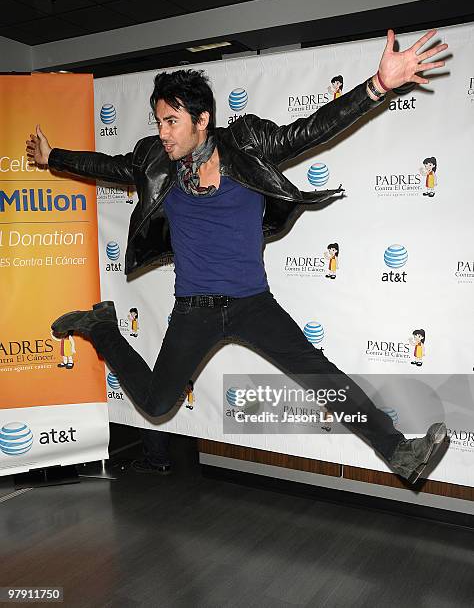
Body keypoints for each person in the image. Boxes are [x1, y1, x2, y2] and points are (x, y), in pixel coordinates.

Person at [27, 29, 449, 485]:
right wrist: (55, 157)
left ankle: (400, 453)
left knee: (320, 374)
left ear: (202, 119)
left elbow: (309, 131)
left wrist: (379, 86)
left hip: (253, 302)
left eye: (171, 121)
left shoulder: (247, 142)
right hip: (194, 309)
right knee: (154, 402)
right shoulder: (156, 160)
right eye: (159, 121)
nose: (162, 133)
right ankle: (104, 328)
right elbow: (108, 164)